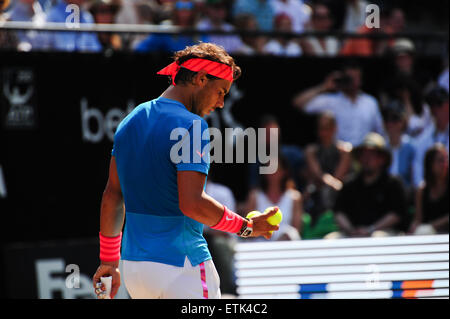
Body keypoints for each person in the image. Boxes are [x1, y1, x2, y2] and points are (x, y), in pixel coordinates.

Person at [92, 43, 279, 299]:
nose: (222, 103)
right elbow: (192, 203)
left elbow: (113, 196)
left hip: (136, 271)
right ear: (201, 79)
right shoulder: (192, 125)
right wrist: (245, 227)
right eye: (221, 92)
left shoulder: (130, 120)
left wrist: (109, 261)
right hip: (182, 268)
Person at [328, 133, 408, 238]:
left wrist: (371, 229)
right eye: (364, 155)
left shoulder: (393, 183)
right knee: (331, 239)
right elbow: (339, 212)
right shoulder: (350, 183)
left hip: (386, 234)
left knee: (377, 238)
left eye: (371, 155)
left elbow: (397, 214)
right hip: (352, 233)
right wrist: (350, 230)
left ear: (382, 159)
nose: (366, 159)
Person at [292, 61, 385, 147]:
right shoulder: (331, 101)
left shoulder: (371, 102)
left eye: (355, 78)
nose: (352, 82)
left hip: (364, 154)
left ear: (361, 80)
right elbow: (298, 103)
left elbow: (379, 132)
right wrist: (324, 87)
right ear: (343, 79)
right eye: (349, 78)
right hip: (338, 155)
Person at [304, 112, 352, 223]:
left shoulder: (345, 151)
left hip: (340, 195)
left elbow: (339, 178)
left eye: (327, 128)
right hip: (317, 192)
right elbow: (318, 175)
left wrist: (333, 184)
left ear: (335, 128)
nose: (324, 132)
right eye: (321, 128)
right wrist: (329, 181)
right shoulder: (311, 151)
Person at [246, 154, 303, 241]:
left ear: (284, 171)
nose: (271, 172)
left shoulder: (295, 197)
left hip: (286, 246)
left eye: (275, 168)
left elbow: (296, 230)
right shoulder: (254, 196)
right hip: (259, 245)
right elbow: (248, 229)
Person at [135, 0, 209, 52]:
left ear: (193, 10)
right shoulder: (165, 28)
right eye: (180, 6)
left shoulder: (199, 32)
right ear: (175, 9)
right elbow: (143, 47)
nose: (184, 10)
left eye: (188, 6)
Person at [412, 87, 449, 188]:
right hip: (430, 195)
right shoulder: (422, 140)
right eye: (432, 106)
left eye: (439, 104)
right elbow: (418, 174)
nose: (436, 110)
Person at [409, 144, 449, 235]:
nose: (444, 164)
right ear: (430, 164)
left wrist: (431, 226)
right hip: (429, 235)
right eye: (440, 160)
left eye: (446, 159)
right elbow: (418, 219)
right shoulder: (422, 190)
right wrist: (413, 227)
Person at [382, 101, 416, 193]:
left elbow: (416, 180)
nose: (390, 124)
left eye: (394, 119)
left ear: (403, 121)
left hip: (407, 196)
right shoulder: (381, 147)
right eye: (386, 119)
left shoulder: (412, 147)